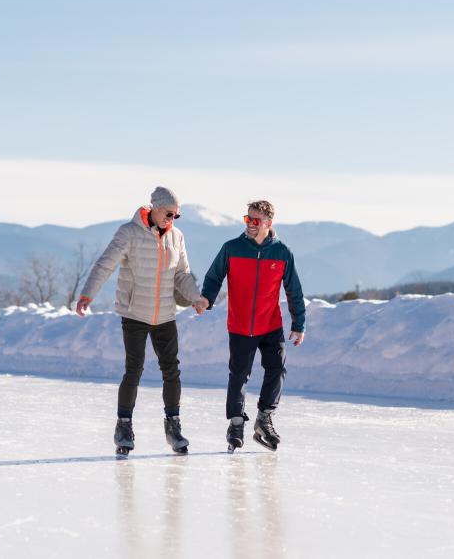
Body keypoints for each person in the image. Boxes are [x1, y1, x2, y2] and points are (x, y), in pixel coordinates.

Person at [76, 186, 205, 456]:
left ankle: (173, 425)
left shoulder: (177, 237)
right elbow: (105, 264)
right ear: (154, 208)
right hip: (135, 313)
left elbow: (182, 273)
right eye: (169, 213)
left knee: (172, 370)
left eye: (176, 215)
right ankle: (124, 427)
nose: (172, 219)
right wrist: (88, 294)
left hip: (166, 314)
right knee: (133, 369)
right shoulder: (129, 233)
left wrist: (195, 297)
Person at [196, 200, 306, 452]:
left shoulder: (282, 253)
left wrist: (298, 323)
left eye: (256, 221)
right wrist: (206, 299)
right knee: (239, 376)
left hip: (270, 325)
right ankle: (235, 424)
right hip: (240, 325)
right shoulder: (231, 248)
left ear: (269, 223)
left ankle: (264, 418)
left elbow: (294, 291)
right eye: (247, 219)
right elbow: (214, 277)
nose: (250, 225)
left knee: (277, 369)